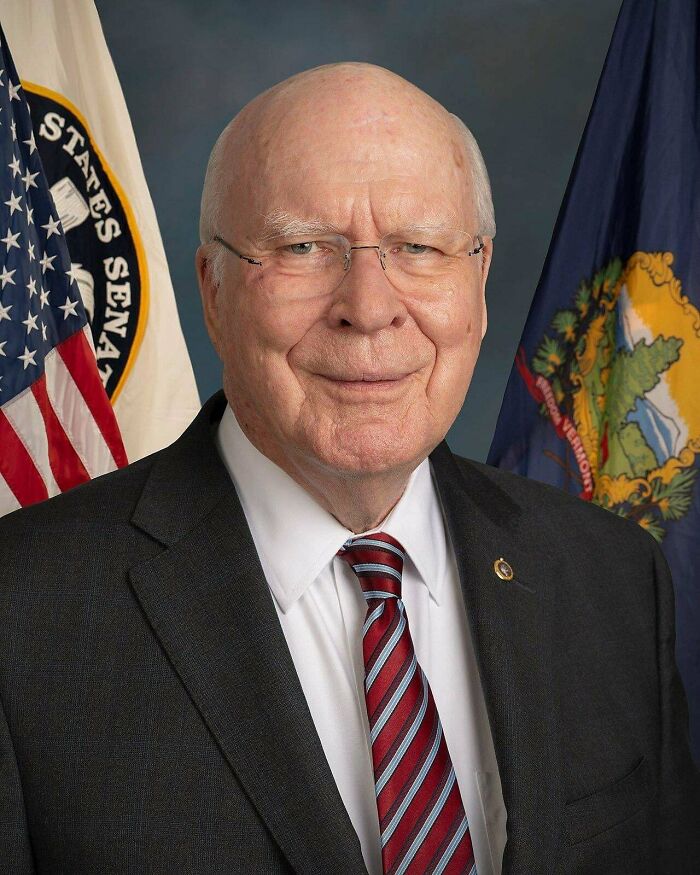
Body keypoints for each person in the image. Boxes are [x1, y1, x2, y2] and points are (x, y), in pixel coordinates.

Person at [1, 62, 698, 875]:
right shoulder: (22, 617)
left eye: (418, 246)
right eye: (303, 247)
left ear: (476, 282)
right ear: (214, 290)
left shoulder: (611, 576)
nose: (368, 307)